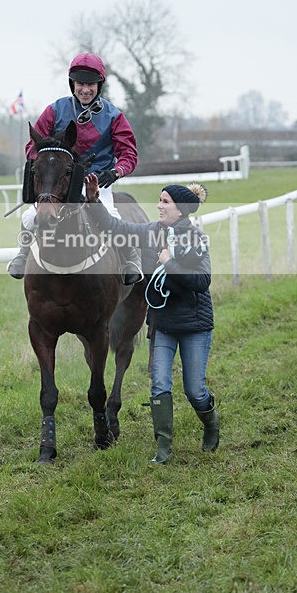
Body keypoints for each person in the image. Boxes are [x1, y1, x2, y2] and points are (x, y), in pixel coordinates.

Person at [85, 175, 219, 463]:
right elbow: (114, 226)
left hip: (195, 324)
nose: (158, 206)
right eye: (159, 200)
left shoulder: (195, 238)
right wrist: (94, 201)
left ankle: (210, 422)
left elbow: (202, 281)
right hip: (163, 324)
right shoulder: (149, 232)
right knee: (159, 384)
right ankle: (163, 448)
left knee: (194, 391)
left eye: (165, 202)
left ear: (180, 210)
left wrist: (169, 261)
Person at [7, 52, 143, 284]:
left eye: (90, 84)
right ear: (73, 84)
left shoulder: (114, 116)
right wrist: (46, 159)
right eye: (80, 84)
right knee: (31, 216)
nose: (85, 90)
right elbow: (33, 145)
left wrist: (115, 172)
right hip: (61, 182)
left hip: (95, 182)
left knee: (110, 215)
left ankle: (131, 260)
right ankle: (22, 254)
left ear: (99, 86)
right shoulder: (55, 110)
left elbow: (128, 154)